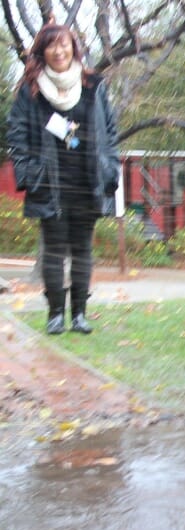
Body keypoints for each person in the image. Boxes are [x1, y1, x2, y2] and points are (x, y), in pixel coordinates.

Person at [6, 22, 121, 335]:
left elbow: (110, 130)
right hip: (49, 181)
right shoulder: (30, 89)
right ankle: (55, 314)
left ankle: (80, 314)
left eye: (64, 44)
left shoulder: (93, 85)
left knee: (83, 249)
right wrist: (28, 172)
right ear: (42, 51)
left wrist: (110, 166)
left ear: (74, 47)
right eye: (52, 45)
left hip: (87, 180)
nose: (59, 50)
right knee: (54, 250)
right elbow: (16, 134)